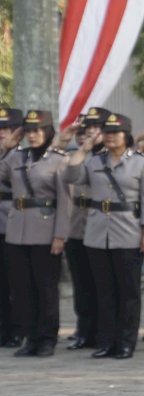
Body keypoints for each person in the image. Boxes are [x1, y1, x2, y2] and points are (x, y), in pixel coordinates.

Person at [64, 113, 144, 359]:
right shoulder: (94, 161)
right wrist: (84, 147)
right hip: (97, 234)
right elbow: (71, 175)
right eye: (107, 133)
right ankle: (106, 342)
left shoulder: (141, 163)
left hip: (128, 232)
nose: (111, 137)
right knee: (104, 292)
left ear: (125, 135)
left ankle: (126, 342)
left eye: (115, 133)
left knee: (128, 292)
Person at [0, 110, 72, 357]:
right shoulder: (14, 158)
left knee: (45, 288)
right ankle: (30, 337)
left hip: (45, 231)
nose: (33, 136)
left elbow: (65, 202)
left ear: (48, 132)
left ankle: (46, 338)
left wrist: (60, 236)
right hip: (17, 231)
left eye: (38, 130)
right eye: (29, 131)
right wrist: (5, 148)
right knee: (21, 289)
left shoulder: (59, 160)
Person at [62, 107, 111, 350]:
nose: (88, 134)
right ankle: (84, 330)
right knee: (81, 284)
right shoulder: (80, 156)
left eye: (94, 128)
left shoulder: (111, 156)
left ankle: (102, 331)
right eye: (84, 130)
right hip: (76, 225)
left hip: (100, 226)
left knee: (100, 284)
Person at [0, 107, 24, 348]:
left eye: (6, 129)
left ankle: (18, 329)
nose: (2, 133)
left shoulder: (22, 156)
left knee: (16, 281)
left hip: (14, 221)